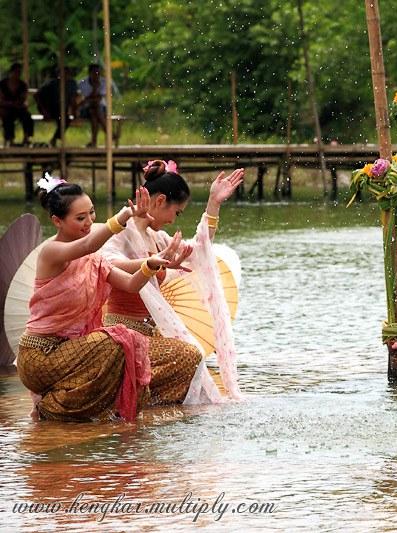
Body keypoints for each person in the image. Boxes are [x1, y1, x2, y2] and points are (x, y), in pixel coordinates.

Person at [16, 174, 204, 422]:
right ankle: (50, 408)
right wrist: (125, 216)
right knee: (118, 341)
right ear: (57, 221)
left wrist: (151, 265)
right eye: (80, 218)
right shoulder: (52, 251)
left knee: (182, 355)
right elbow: (87, 245)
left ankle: (111, 404)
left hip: (77, 350)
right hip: (41, 356)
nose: (89, 222)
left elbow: (131, 284)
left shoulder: (95, 260)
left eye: (92, 214)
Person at [100, 160, 245, 401]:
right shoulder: (122, 230)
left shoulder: (157, 238)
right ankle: (135, 397)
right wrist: (151, 262)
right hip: (122, 331)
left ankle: (149, 402)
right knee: (189, 356)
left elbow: (198, 250)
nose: (173, 220)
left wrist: (214, 204)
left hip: (150, 333)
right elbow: (105, 262)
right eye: (176, 212)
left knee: (194, 366)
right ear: (159, 201)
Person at [34, 67, 79, 147]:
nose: (65, 76)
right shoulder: (51, 84)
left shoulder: (72, 84)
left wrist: (74, 111)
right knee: (63, 117)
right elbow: (37, 95)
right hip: (50, 108)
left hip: (62, 110)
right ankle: (54, 140)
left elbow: (73, 99)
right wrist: (44, 111)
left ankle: (54, 139)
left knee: (65, 119)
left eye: (67, 73)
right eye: (63, 74)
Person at [0, 63, 34, 146]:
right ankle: (10, 140)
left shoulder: (22, 85)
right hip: (5, 108)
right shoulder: (2, 84)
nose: (17, 74)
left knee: (27, 116)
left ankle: (27, 138)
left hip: (18, 108)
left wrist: (18, 103)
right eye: (16, 72)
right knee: (7, 117)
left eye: (19, 72)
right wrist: (10, 103)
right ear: (11, 72)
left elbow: (23, 98)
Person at [77, 63, 110, 147]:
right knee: (94, 110)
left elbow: (98, 99)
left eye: (98, 73)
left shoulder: (104, 82)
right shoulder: (82, 83)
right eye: (95, 73)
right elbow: (82, 100)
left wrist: (89, 98)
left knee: (94, 112)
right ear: (89, 73)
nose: (97, 75)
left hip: (100, 108)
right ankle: (109, 133)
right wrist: (95, 89)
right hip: (86, 109)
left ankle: (94, 142)